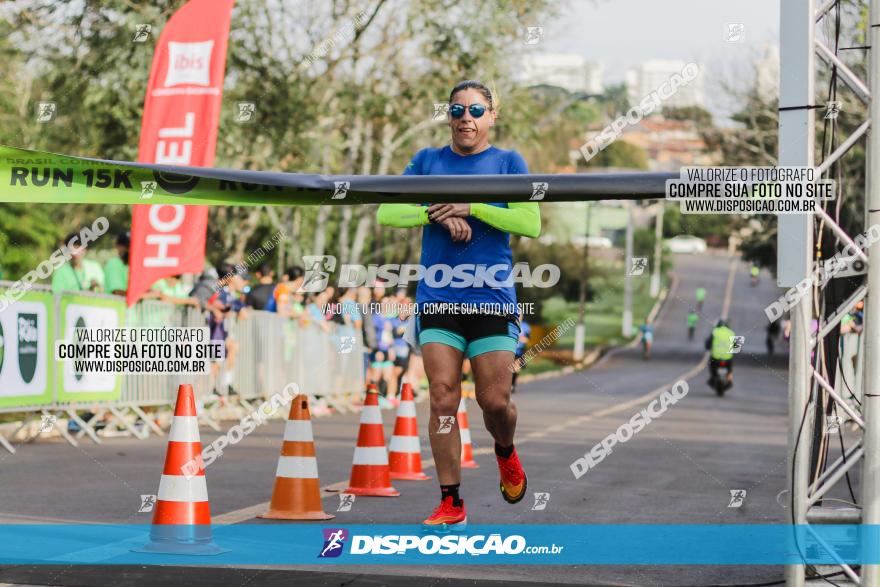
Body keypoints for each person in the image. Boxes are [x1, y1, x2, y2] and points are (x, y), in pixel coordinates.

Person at [376, 80, 540, 531]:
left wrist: (471, 207)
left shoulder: (508, 162)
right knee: (443, 397)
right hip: (439, 296)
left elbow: (530, 222)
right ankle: (451, 500)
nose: (466, 117)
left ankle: (505, 452)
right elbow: (387, 212)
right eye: (457, 109)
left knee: (494, 400)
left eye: (476, 109)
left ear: (492, 116)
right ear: (447, 115)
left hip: (490, 298)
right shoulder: (428, 160)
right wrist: (439, 212)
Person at [706, 318, 736, 388]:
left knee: (711, 366)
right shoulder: (731, 333)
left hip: (716, 357)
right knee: (730, 368)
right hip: (728, 358)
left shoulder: (715, 332)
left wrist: (708, 347)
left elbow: (708, 343)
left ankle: (712, 377)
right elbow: (737, 347)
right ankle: (729, 379)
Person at [103, 232, 130, 296]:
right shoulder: (114, 263)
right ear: (118, 246)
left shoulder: (135, 265)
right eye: (127, 246)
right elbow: (118, 292)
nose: (129, 249)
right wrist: (145, 295)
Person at [511, 317, 531, 394]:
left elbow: (527, 339)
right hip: (508, 350)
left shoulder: (525, 326)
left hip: (519, 351)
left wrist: (520, 338)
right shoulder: (510, 323)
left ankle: (512, 385)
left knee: (516, 369)